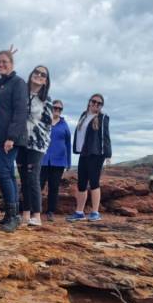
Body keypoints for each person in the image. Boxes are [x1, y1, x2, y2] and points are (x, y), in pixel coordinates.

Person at [0, 49, 28, 233]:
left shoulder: (17, 83)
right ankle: (10, 215)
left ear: (12, 64)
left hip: (9, 138)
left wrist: (11, 137)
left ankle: (14, 216)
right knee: (7, 173)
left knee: (2, 172)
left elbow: (20, 111)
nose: (1, 65)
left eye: (4, 61)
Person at [67, 93, 112, 222]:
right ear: (89, 102)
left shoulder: (103, 118)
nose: (96, 104)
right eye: (94, 101)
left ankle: (95, 212)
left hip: (97, 154)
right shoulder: (83, 115)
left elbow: (105, 136)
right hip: (84, 153)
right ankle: (79, 212)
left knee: (94, 182)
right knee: (81, 183)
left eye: (99, 103)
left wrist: (108, 154)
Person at [17, 66, 53, 226]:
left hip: (37, 144)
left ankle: (37, 215)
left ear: (46, 80)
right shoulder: (20, 94)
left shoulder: (46, 100)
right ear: (31, 74)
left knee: (33, 177)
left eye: (43, 74)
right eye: (36, 72)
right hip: (20, 141)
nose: (39, 75)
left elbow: (48, 124)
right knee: (23, 178)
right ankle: (25, 215)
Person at [40, 99, 72, 221]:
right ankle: (35, 210)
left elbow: (68, 144)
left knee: (54, 187)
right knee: (38, 185)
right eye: (55, 108)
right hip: (42, 160)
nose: (57, 110)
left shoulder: (64, 125)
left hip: (58, 162)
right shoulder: (44, 122)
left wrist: (68, 162)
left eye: (60, 109)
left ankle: (50, 212)